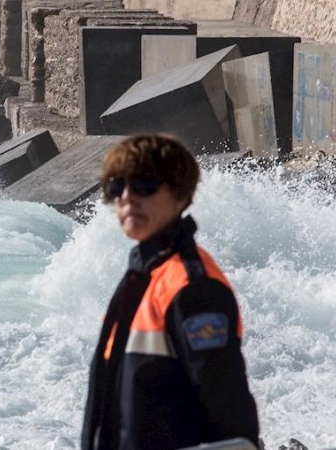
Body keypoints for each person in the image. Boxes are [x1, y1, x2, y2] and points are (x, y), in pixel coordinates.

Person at [81, 135, 260, 450]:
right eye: (116, 187)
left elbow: (228, 412)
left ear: (180, 195)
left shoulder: (194, 287)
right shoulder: (143, 275)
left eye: (144, 185)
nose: (127, 197)